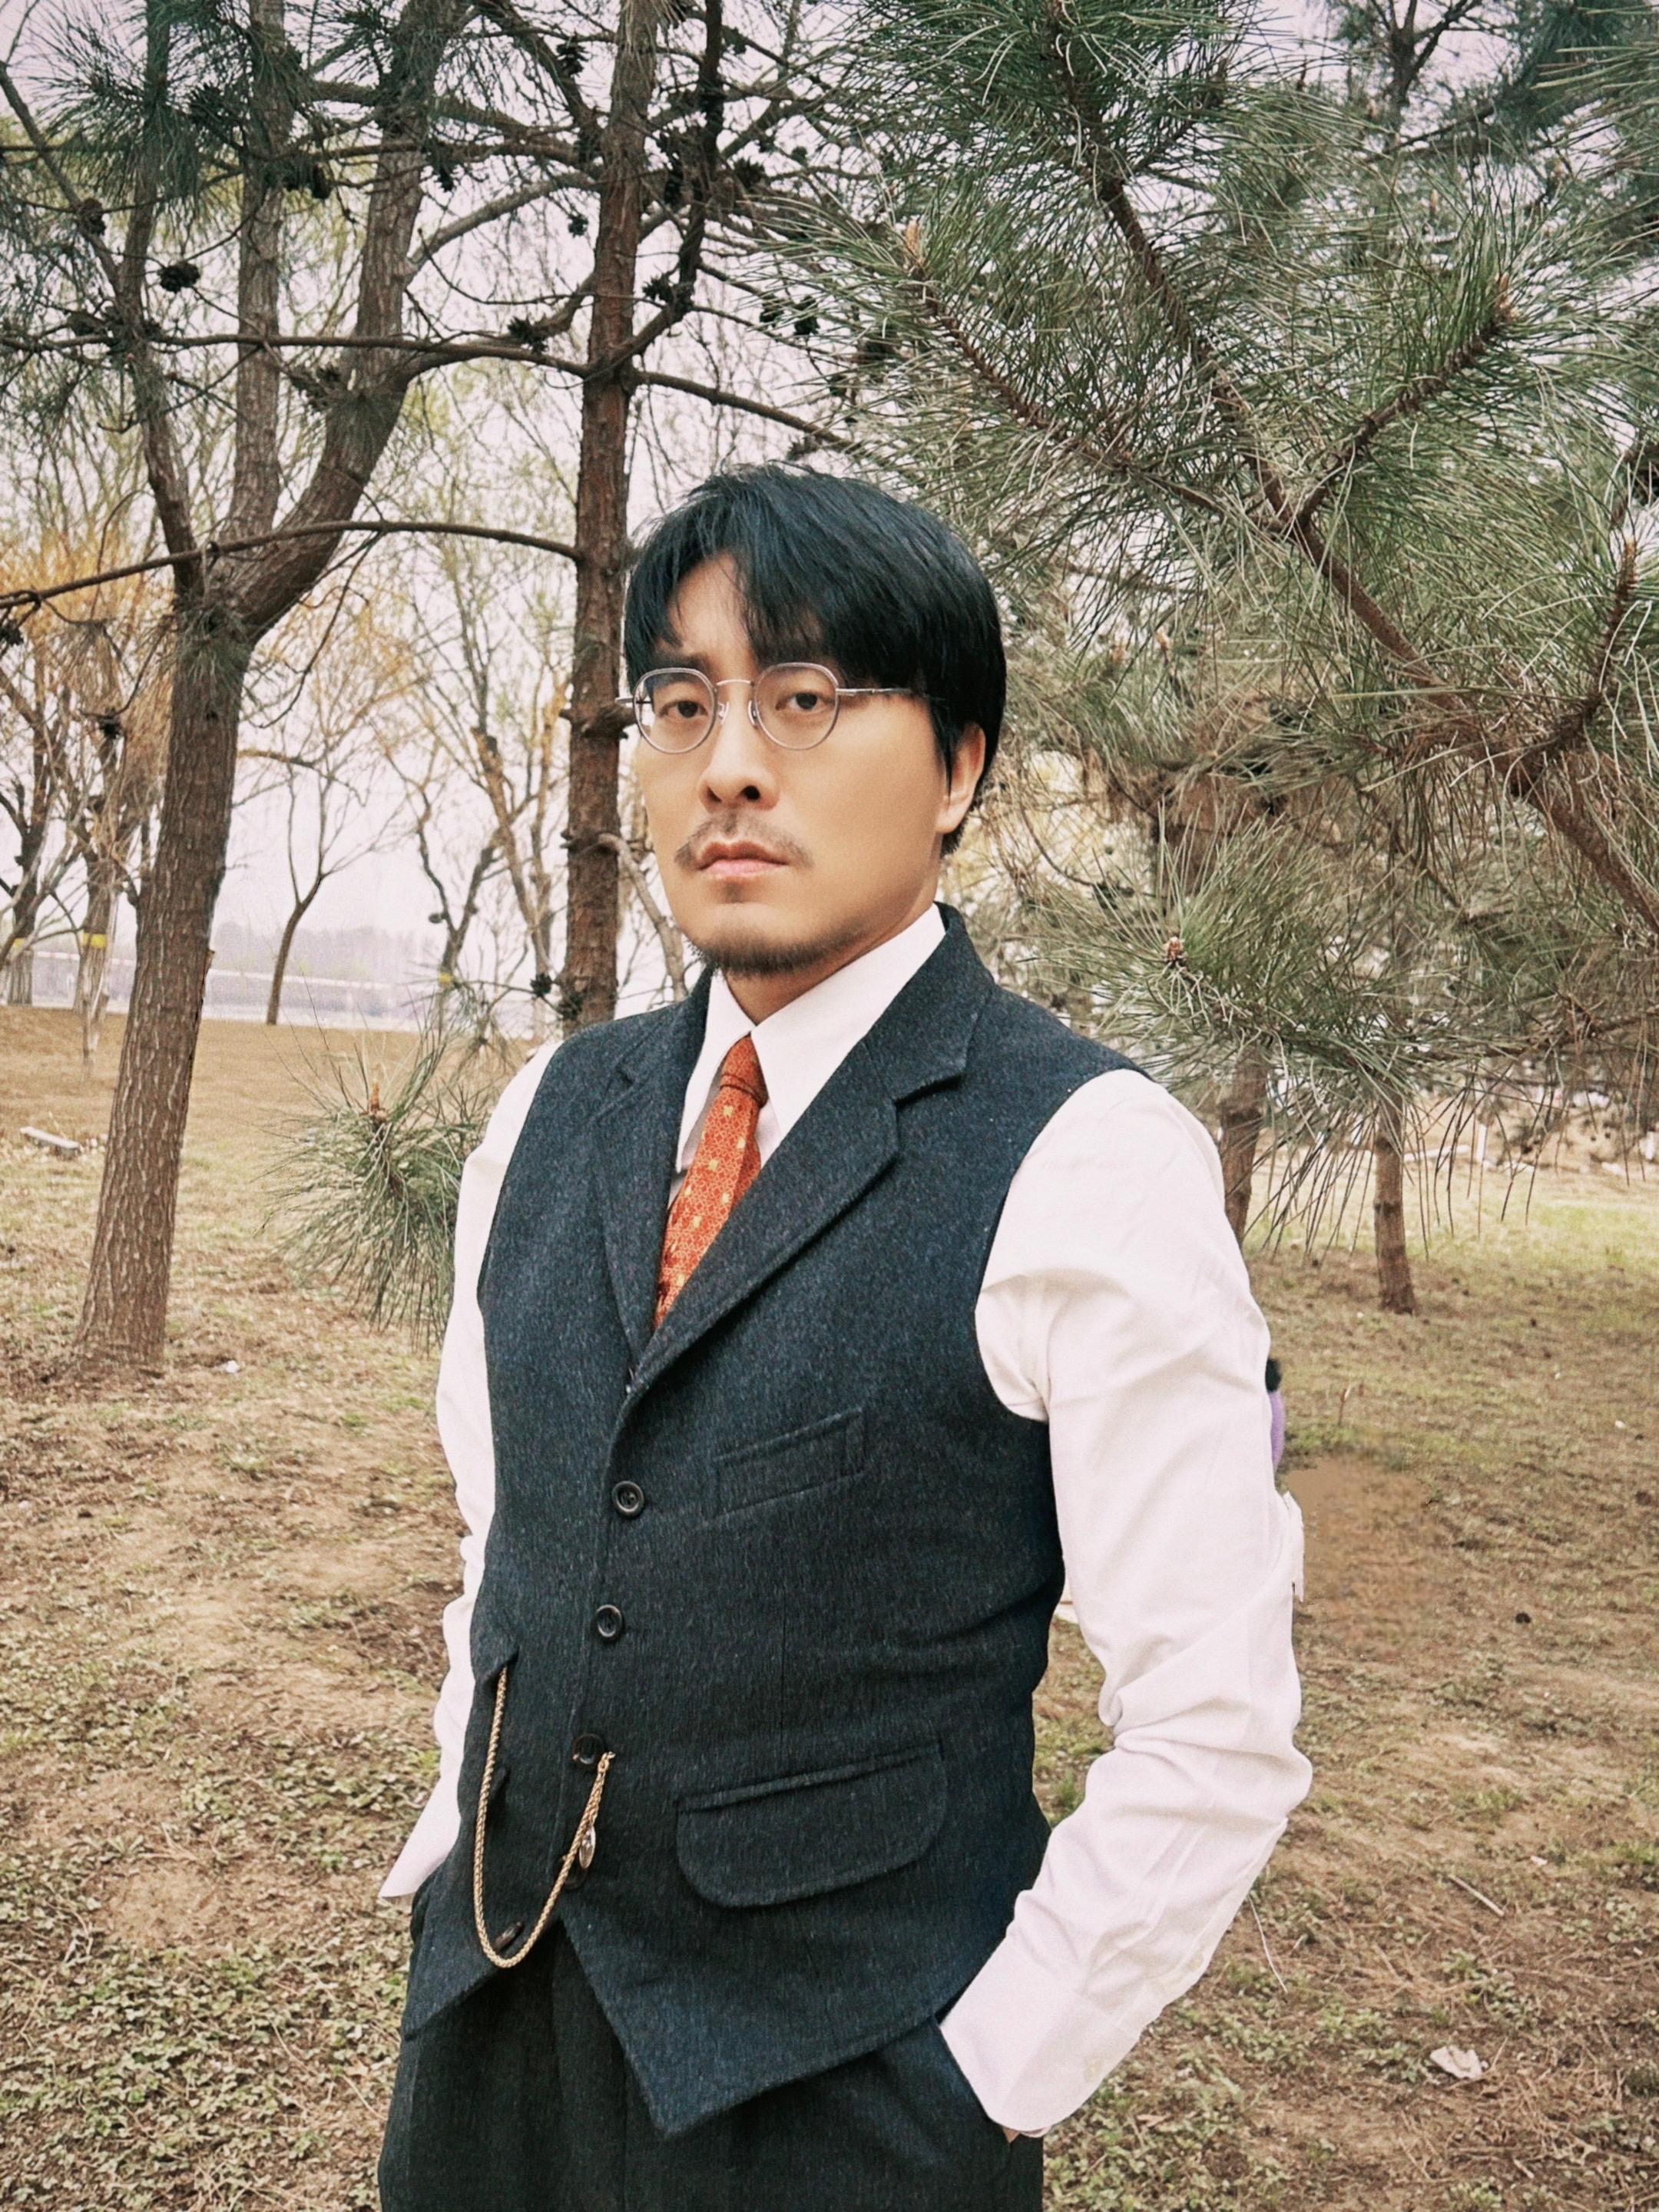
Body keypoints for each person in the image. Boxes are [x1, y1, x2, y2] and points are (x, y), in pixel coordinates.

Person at [376, 466, 1311, 2212]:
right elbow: (508, 1540)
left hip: (846, 2103)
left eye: (805, 698)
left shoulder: (1087, 1159)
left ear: (958, 767)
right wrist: (456, 1837)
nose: (730, 765)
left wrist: (983, 2081)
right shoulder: (549, 1116)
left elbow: (1213, 1722)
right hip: (490, 2041)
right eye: (682, 705)